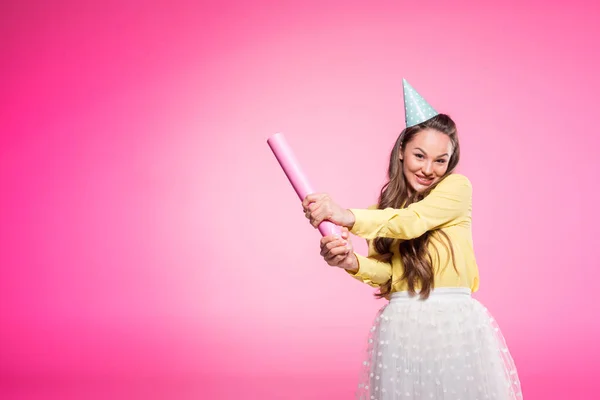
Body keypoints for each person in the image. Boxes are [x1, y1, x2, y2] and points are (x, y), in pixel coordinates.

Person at [302, 79, 523, 399]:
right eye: (420, 155)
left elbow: (414, 222)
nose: (428, 169)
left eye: (440, 160)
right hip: (402, 323)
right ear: (402, 151)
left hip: (454, 322)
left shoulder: (456, 189)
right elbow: (389, 275)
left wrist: (346, 216)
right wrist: (350, 262)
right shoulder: (380, 213)